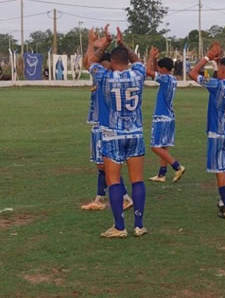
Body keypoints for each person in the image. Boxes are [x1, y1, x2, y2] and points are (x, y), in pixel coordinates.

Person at [85, 26, 148, 238]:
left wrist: (103, 44)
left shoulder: (105, 77)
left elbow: (90, 62)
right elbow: (138, 61)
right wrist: (124, 45)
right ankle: (139, 225)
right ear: (128, 61)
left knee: (113, 181)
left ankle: (120, 227)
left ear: (112, 62)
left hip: (113, 134)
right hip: (135, 133)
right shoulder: (138, 74)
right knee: (137, 180)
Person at [190, 41, 225, 220]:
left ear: (221, 70)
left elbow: (192, 73)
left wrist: (207, 57)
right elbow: (223, 73)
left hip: (218, 134)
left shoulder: (217, 85)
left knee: (220, 171)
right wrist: (218, 61)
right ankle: (223, 201)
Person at [80, 46, 131, 212]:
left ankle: (125, 198)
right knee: (102, 165)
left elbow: (88, 63)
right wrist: (92, 43)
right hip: (100, 126)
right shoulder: (102, 78)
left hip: (105, 127)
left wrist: (92, 43)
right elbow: (87, 63)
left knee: (106, 165)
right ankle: (100, 198)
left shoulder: (106, 80)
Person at [146, 46, 186, 183]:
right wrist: (155, 60)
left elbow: (148, 71)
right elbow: (156, 72)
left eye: (159, 67)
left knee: (155, 146)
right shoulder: (172, 79)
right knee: (164, 147)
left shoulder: (165, 79)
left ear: (163, 69)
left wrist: (151, 56)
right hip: (170, 116)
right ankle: (161, 174)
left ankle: (177, 166)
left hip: (161, 117)